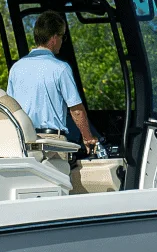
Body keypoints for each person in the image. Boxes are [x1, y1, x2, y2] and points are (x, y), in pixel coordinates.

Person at [7, 11, 100, 154]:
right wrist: (88, 139)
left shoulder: (16, 68)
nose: (62, 41)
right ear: (54, 38)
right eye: (63, 36)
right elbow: (76, 111)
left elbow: (11, 109)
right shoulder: (61, 68)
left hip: (23, 142)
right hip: (51, 143)